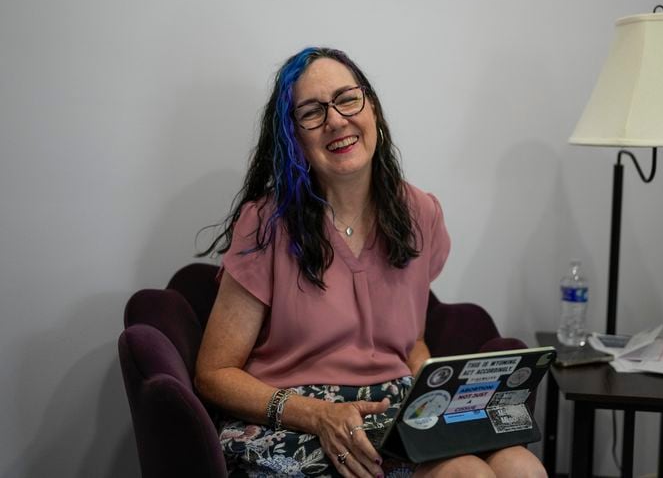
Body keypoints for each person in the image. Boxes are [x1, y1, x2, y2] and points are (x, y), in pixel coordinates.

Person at [195, 47, 547, 478]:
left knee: (521, 466)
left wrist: (445, 396)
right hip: (296, 421)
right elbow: (214, 373)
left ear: (372, 108)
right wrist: (317, 415)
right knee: (467, 475)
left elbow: (409, 342)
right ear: (294, 138)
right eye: (312, 112)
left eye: (347, 99)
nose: (336, 121)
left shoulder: (421, 212)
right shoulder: (266, 223)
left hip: (395, 416)